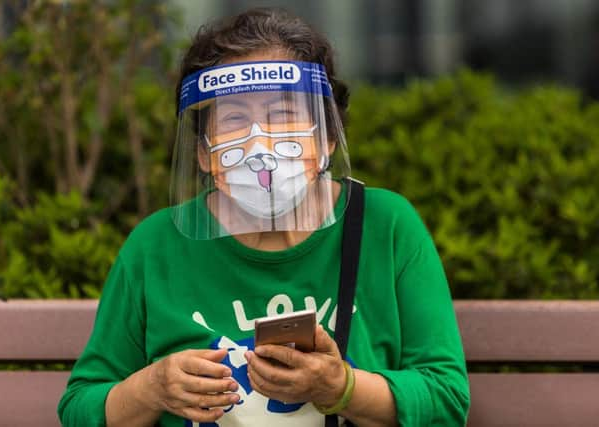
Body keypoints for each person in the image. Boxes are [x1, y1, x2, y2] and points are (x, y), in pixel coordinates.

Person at [58, 7, 470, 427]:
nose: (260, 143)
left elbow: (446, 400)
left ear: (327, 137)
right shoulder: (155, 245)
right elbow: (79, 408)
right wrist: (150, 388)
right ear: (203, 152)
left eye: (284, 113)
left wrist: (340, 387)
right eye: (235, 118)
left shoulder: (387, 226)